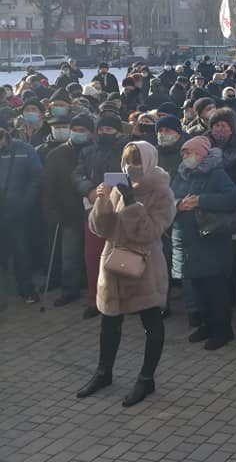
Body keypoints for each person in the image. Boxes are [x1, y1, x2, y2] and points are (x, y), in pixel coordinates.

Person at [77, 141, 176, 407]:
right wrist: (102, 200)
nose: (131, 167)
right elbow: (101, 229)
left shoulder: (162, 192)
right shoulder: (118, 187)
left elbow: (150, 232)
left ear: (149, 162)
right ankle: (103, 373)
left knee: (151, 321)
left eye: (136, 161)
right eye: (127, 161)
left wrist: (131, 203)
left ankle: (146, 378)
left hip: (144, 266)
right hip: (113, 263)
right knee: (109, 320)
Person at [171, 136, 236, 350]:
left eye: (190, 152)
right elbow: (169, 198)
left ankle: (223, 330)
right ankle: (206, 325)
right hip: (189, 238)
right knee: (198, 285)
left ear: (202, 154)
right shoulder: (182, 174)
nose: (186, 157)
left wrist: (201, 201)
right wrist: (178, 204)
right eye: (184, 153)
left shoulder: (217, 173)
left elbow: (232, 199)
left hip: (211, 238)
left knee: (215, 288)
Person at [73, 112, 129, 318]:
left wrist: (109, 187)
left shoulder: (126, 150)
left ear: (118, 132)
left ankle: (121, 297)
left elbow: (130, 176)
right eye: (102, 129)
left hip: (119, 210)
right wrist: (89, 189)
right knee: (93, 255)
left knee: (119, 255)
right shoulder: (87, 151)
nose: (105, 133)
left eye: (109, 129)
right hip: (94, 209)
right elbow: (77, 174)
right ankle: (95, 298)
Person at [43, 114, 95, 307]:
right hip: (68, 212)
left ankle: (94, 289)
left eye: (83, 130)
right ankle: (69, 290)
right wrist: (52, 211)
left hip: (94, 212)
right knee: (69, 256)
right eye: (75, 130)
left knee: (94, 254)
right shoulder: (57, 154)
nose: (78, 133)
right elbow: (48, 186)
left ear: (90, 133)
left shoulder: (95, 151)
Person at [0, 120, 43, 303]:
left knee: (21, 251)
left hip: (17, 210)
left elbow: (36, 177)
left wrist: (26, 202)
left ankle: (27, 290)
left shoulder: (25, 150)